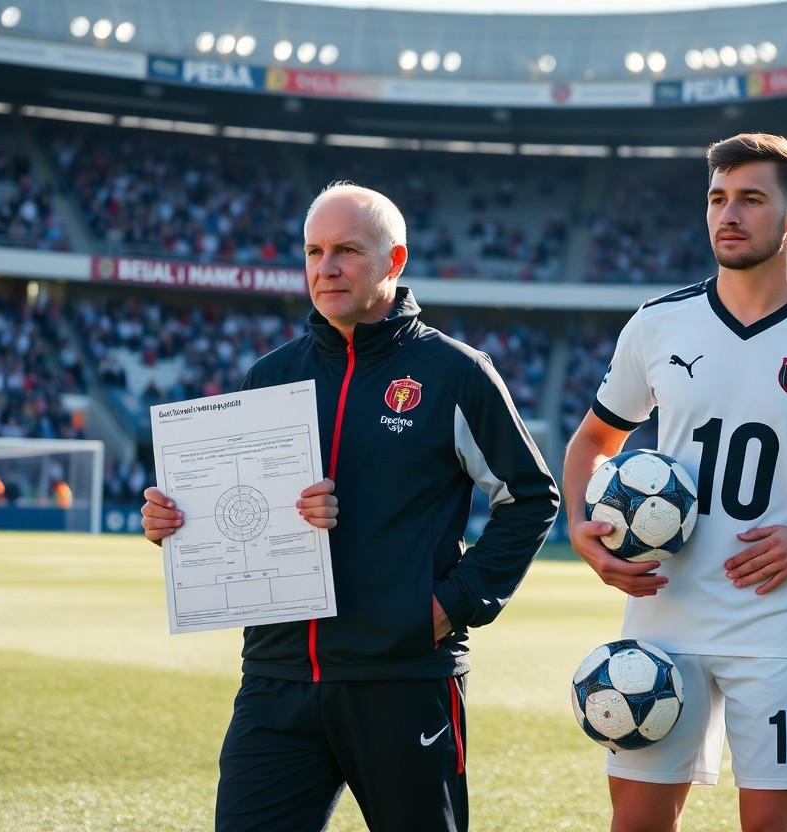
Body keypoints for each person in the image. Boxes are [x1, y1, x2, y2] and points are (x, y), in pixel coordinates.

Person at [140, 182, 559, 832]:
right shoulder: (269, 376)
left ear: (394, 260)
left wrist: (452, 604)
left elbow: (529, 497)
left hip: (401, 675)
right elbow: (242, 504)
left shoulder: (454, 373)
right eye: (314, 251)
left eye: (347, 250)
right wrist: (177, 521)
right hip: (277, 675)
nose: (326, 267)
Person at [563, 133, 787, 832]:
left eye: (751, 199)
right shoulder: (657, 324)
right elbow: (594, 441)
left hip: (777, 623)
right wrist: (583, 530)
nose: (728, 215)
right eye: (717, 198)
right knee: (637, 825)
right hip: (663, 618)